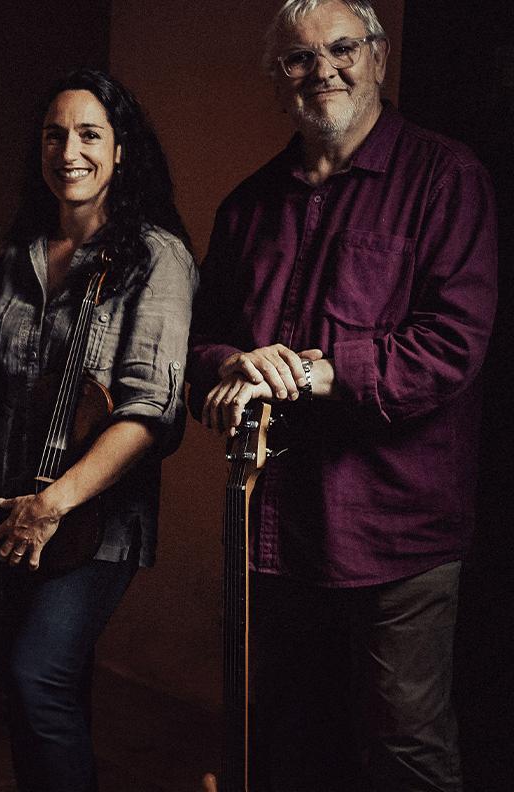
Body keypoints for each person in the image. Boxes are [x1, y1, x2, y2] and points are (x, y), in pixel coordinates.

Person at [188, 2, 497, 790]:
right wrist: (234, 366)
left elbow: (453, 346)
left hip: (398, 534)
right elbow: (200, 348)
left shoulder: (447, 177)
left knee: (406, 750)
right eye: (297, 58)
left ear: (379, 57)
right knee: (289, 745)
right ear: (278, 78)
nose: (322, 69)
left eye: (341, 49)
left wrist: (322, 371)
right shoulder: (247, 205)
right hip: (277, 532)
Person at [0, 68, 196, 791]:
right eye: (54, 135)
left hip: (95, 519)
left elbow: (148, 414)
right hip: (11, 512)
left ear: (120, 150)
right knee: (30, 693)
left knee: (36, 676)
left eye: (90, 134)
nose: (69, 150)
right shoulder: (15, 259)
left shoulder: (155, 258)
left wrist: (54, 504)